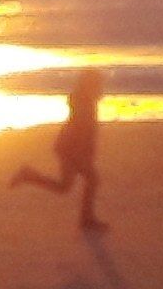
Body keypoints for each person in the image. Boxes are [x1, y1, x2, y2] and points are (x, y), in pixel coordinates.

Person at [10, 66, 108, 232]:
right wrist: (84, 153)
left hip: (69, 148)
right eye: (97, 82)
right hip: (70, 149)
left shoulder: (86, 100)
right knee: (90, 180)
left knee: (66, 186)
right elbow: (82, 130)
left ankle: (28, 175)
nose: (100, 85)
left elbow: (87, 130)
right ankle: (86, 219)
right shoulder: (84, 102)